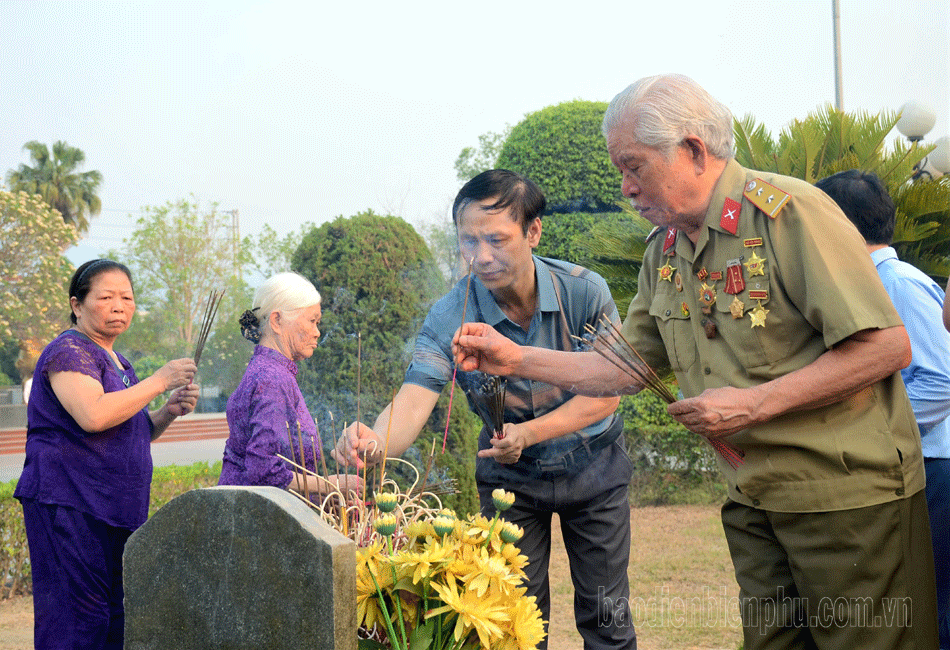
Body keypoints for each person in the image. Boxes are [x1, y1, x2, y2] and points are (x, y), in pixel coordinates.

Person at [454, 75, 939, 649]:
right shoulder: (666, 250)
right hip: (754, 499)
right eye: (620, 171)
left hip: (846, 499)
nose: (626, 188)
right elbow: (622, 366)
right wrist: (513, 357)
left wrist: (754, 403)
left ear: (692, 150)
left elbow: (886, 346)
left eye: (634, 167)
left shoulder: (790, 215)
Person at [334, 169, 636, 650]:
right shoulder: (449, 314)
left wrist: (529, 433)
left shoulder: (585, 292)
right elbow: (415, 398)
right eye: (469, 241)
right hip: (509, 480)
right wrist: (372, 443)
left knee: (607, 616)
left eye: (497, 239)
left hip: (593, 468)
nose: (482, 256)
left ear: (533, 232)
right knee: (511, 620)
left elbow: (606, 393)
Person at [14, 259, 199, 650]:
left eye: (127, 297)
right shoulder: (68, 351)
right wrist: (160, 380)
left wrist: (167, 409)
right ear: (77, 305)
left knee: (114, 617)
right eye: (106, 297)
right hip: (70, 503)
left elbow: (134, 431)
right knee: (78, 620)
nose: (119, 305)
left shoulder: (119, 361)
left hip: (114, 508)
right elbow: (94, 415)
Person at [815, 169, 950, 649]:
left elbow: (940, 380)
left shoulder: (898, 283)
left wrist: (870, 429)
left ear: (840, 226)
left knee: (933, 609)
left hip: (933, 465)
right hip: (915, 463)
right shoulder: (873, 282)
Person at [219, 272, 356, 496]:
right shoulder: (272, 378)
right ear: (276, 321)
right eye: (312, 321)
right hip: (256, 519)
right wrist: (331, 486)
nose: (317, 332)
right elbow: (263, 469)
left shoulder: (267, 370)